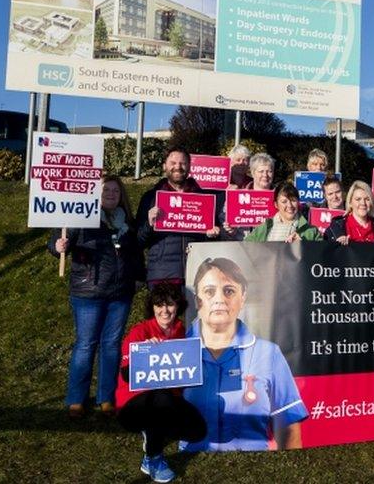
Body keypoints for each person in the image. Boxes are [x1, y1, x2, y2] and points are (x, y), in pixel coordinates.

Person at [182, 258, 308, 451]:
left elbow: (288, 426)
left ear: (243, 298)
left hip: (253, 469)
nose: (219, 299)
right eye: (209, 291)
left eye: (229, 291)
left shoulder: (268, 354)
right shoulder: (176, 352)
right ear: (197, 300)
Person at [49, 175, 141, 418]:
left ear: (121, 196)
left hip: (120, 294)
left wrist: (139, 277)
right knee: (85, 345)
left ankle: (106, 398)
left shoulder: (127, 224)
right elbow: (57, 243)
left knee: (111, 346)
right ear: (95, 194)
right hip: (88, 292)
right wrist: (57, 246)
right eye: (106, 190)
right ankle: (76, 399)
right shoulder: (78, 218)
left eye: (115, 191)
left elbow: (134, 255)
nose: (111, 194)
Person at [116, 286, 205, 482]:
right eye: (159, 305)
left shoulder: (181, 330)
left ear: (178, 306)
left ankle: (154, 430)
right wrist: (146, 353)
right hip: (132, 404)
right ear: (152, 307)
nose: (165, 311)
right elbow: (126, 375)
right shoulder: (140, 331)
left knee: (198, 431)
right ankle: (153, 458)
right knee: (161, 398)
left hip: (167, 400)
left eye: (170, 305)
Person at [135, 147, 220, 289]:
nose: (178, 167)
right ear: (164, 166)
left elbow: (213, 237)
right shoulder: (151, 197)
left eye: (183, 163)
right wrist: (149, 224)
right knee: (164, 312)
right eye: (173, 163)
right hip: (162, 274)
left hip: (197, 272)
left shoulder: (204, 199)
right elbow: (138, 240)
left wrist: (213, 235)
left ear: (189, 167)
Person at [222, 153, 276, 241]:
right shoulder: (236, 197)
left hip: (273, 248)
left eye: (269, 171)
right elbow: (223, 230)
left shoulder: (280, 198)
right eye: (261, 171)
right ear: (253, 173)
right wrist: (230, 230)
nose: (265, 175)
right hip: (243, 248)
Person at [324, 180, 374, 244]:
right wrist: (337, 245)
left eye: (367, 199)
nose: (363, 203)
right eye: (358, 199)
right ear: (350, 203)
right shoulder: (337, 227)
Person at [245, 182, 322, 242]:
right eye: (284, 201)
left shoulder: (312, 231)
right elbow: (245, 250)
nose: (289, 205)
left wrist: (303, 245)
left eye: (293, 200)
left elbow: (321, 258)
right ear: (276, 205)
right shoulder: (264, 228)